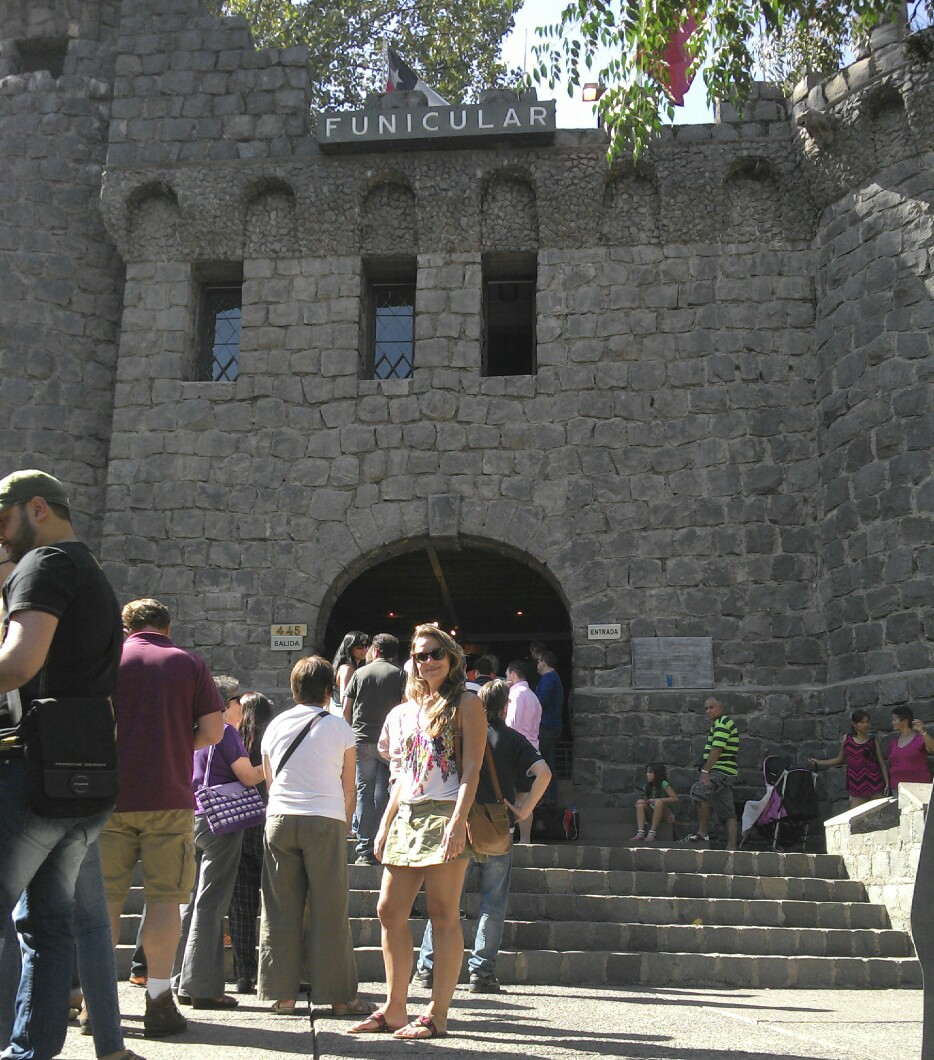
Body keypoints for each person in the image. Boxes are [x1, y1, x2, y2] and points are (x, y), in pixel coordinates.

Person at [0, 470, 124, 1060]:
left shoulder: (44, 564)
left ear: (37, 509)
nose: (0, 538)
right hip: (86, 774)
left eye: (2, 522)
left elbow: (20, 663)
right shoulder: (92, 572)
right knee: (49, 929)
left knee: (35, 926)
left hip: (32, 769)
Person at [348, 625, 486, 1040]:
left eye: (436, 653)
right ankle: (393, 1008)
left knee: (443, 913)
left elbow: (473, 767)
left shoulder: (466, 702)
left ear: (453, 657)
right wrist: (385, 821)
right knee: (389, 910)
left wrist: (459, 821)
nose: (428, 661)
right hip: (406, 813)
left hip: (446, 810)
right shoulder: (404, 710)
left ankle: (436, 1014)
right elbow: (402, 774)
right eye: (421, 655)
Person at [100, 597, 225, 1037]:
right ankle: (157, 999)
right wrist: (175, 742)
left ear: (126, 627)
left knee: (106, 898)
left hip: (108, 798)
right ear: (168, 627)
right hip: (170, 797)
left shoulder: (109, 660)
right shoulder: (189, 663)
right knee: (164, 898)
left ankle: (97, 1003)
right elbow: (212, 732)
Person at [415, 679, 551, 993]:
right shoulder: (513, 739)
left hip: (459, 823)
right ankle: (482, 972)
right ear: (506, 707)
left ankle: (428, 968)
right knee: (493, 902)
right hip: (495, 826)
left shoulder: (461, 735)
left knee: (446, 900)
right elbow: (544, 773)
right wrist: (524, 809)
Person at [258, 656, 370, 1018]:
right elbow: (349, 787)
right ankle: (339, 997)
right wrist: (346, 822)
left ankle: (282, 995)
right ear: (328, 690)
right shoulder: (339, 728)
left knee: (279, 907)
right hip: (325, 818)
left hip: (279, 818)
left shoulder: (274, 726)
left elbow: (270, 780)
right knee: (330, 907)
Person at [173, 676, 264, 1009]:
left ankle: (179, 980)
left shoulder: (190, 732)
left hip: (190, 816)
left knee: (189, 900)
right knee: (211, 903)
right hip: (220, 823)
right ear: (225, 704)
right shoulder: (226, 733)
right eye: (237, 700)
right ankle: (202, 987)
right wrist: (270, 763)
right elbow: (248, 776)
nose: (241, 706)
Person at [342, 633, 407, 865]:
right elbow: (405, 706)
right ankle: (385, 841)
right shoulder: (400, 674)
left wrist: (348, 735)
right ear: (394, 654)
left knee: (363, 793)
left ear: (376, 651)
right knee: (385, 794)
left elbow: (346, 708)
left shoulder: (359, 673)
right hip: (389, 743)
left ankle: (365, 848)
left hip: (361, 740)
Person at [229, 691, 274, 994]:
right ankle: (273, 974)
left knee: (241, 905)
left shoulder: (233, 740)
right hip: (270, 823)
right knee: (274, 902)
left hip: (238, 825)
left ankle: (244, 974)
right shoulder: (274, 740)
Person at [808, 710, 889, 808]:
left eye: (867, 721)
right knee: (856, 819)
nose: (866, 725)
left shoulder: (873, 741)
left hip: (875, 784)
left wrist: (887, 784)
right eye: (862, 722)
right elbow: (840, 759)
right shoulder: (847, 739)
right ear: (854, 724)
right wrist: (820, 762)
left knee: (879, 817)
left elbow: (882, 764)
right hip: (856, 786)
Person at [688, 697, 740, 849]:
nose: (708, 711)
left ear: (721, 708)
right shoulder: (719, 724)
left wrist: (705, 771)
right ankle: (732, 848)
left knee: (699, 791)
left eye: (712, 707)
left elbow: (717, 749)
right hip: (728, 773)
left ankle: (703, 833)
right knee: (727, 810)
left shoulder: (723, 724)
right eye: (706, 708)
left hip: (720, 771)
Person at [504, 660, 542, 843]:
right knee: (526, 797)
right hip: (532, 749)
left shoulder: (517, 694)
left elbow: (512, 724)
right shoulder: (533, 695)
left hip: (517, 751)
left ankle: (515, 838)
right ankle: (525, 839)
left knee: (515, 795)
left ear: (513, 674)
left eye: (507, 674)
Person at [535, 650, 564, 808]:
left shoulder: (547, 679)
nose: (537, 663)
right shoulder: (555, 678)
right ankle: (549, 796)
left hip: (546, 725)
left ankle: (545, 796)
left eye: (538, 660)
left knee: (542, 762)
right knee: (548, 761)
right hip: (553, 724)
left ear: (544, 662)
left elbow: (542, 701)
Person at [886, 706, 934, 792]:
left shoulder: (920, 739)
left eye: (894, 720)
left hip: (919, 788)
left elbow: (932, 749)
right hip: (897, 788)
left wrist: (922, 731)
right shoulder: (892, 743)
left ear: (904, 722)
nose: (892, 723)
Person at [631, 763, 679, 843]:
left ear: (657, 773)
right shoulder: (648, 787)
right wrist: (642, 802)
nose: (647, 775)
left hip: (665, 814)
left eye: (650, 772)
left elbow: (675, 798)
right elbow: (646, 802)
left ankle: (652, 833)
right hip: (652, 813)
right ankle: (640, 833)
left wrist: (659, 800)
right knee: (640, 804)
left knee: (659, 802)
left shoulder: (664, 784)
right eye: (647, 772)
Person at [330, 631, 368, 715]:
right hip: (344, 715)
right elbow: (344, 699)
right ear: (349, 648)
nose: (364, 649)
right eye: (359, 647)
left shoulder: (353, 668)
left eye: (365, 646)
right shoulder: (347, 669)